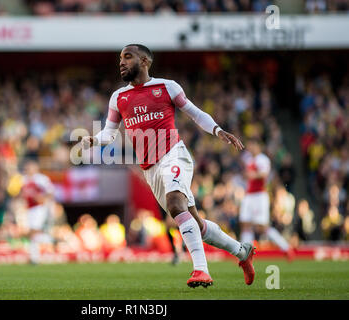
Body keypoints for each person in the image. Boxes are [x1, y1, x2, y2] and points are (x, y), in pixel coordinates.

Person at [82, 44, 255, 288]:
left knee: (175, 203)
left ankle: (201, 270)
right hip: (150, 168)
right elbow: (109, 133)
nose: (121, 62)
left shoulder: (167, 87)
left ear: (144, 61)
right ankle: (242, 252)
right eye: (120, 58)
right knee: (197, 224)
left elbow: (195, 113)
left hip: (174, 154)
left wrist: (217, 129)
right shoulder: (118, 97)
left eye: (127, 57)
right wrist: (94, 139)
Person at [239, 139, 294, 261]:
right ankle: (245, 255)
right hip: (249, 195)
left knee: (262, 227)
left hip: (259, 195)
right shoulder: (248, 159)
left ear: (258, 146)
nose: (250, 148)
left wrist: (252, 175)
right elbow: (247, 175)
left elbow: (264, 174)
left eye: (252, 145)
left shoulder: (262, 159)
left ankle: (286, 248)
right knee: (245, 224)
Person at [20, 160, 55, 264]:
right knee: (32, 234)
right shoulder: (24, 179)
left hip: (39, 208)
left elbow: (51, 192)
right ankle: (35, 257)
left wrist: (42, 198)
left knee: (33, 231)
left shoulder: (41, 179)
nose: (28, 169)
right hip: (29, 208)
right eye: (27, 167)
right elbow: (23, 194)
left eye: (30, 167)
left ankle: (52, 241)